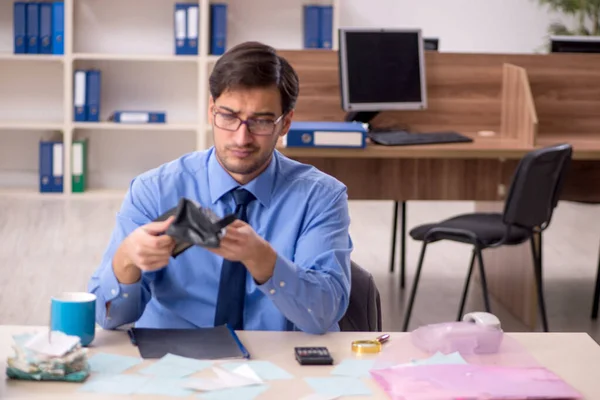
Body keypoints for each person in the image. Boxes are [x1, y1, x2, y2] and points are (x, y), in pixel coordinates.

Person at [88, 41, 353, 335]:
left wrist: (263, 259)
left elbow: (324, 315)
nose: (241, 138)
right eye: (228, 116)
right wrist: (126, 260)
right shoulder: (154, 190)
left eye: (261, 122)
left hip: (275, 363)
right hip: (174, 361)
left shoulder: (321, 197)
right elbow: (107, 317)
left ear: (285, 123)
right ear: (211, 110)